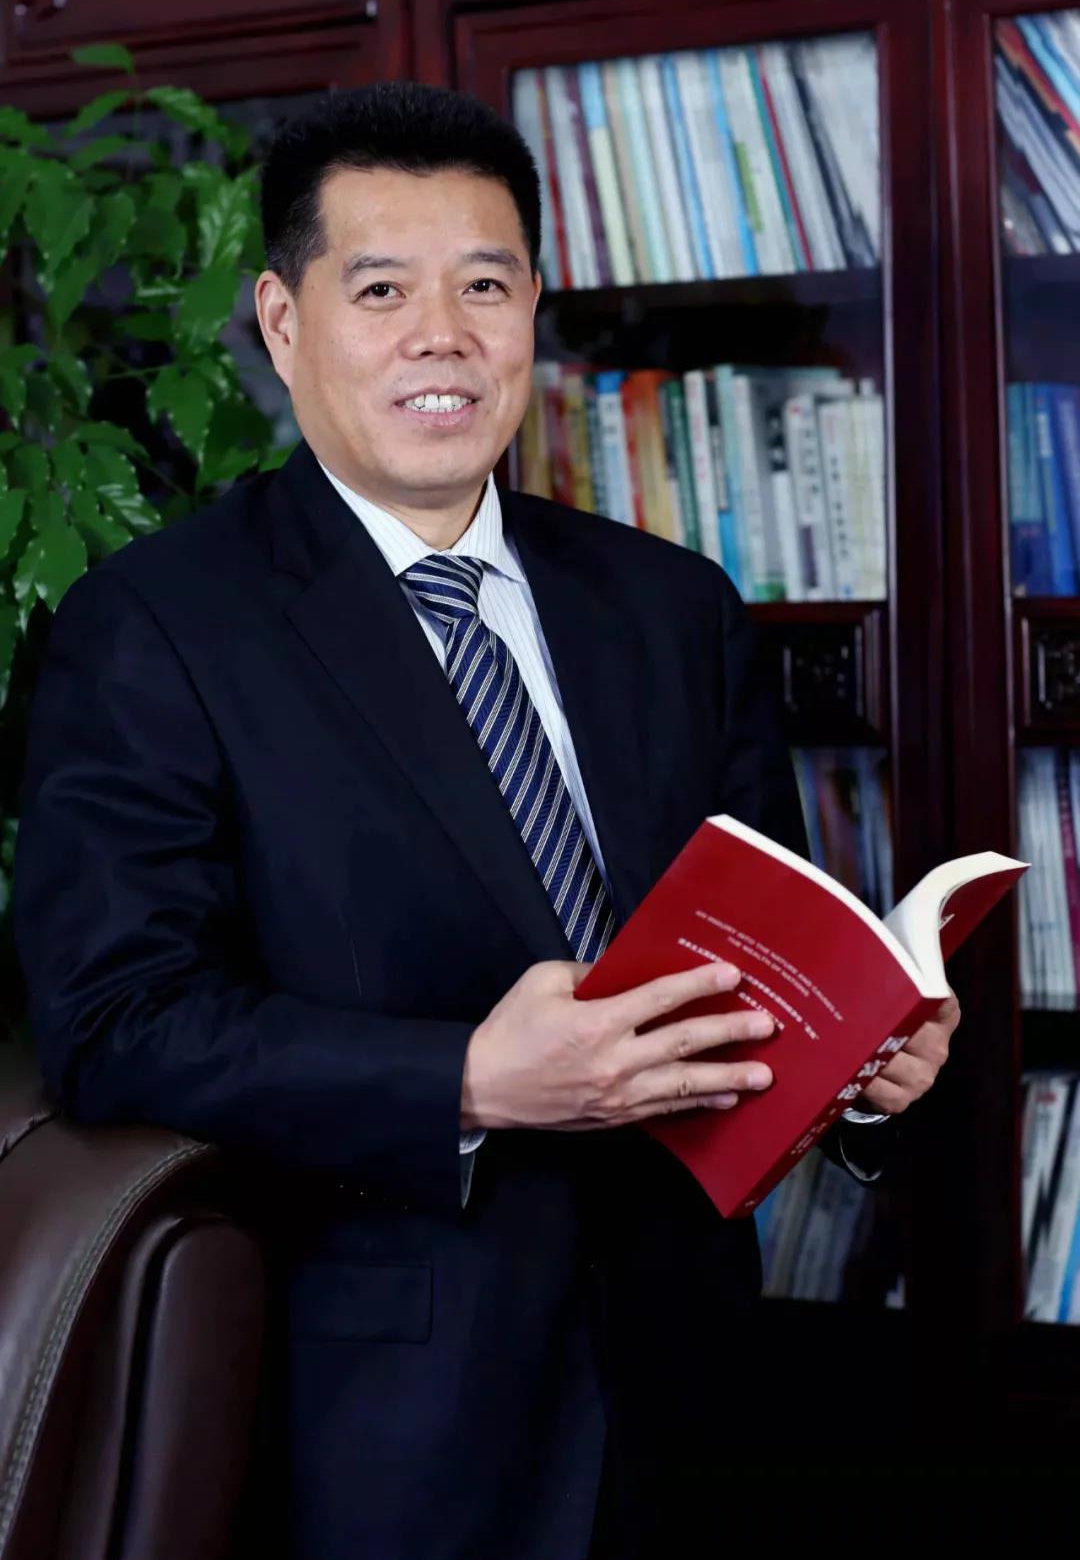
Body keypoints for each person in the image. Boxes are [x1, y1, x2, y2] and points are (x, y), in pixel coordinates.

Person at [14, 81, 960, 1559]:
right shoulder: (157, 628)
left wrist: (853, 1074)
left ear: (530, 312)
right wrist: (464, 1080)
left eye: (485, 284)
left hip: (694, 1384)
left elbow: (752, 971)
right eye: (380, 289)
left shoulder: (672, 608)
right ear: (283, 322)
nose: (440, 336)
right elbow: (115, 1022)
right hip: (376, 1425)